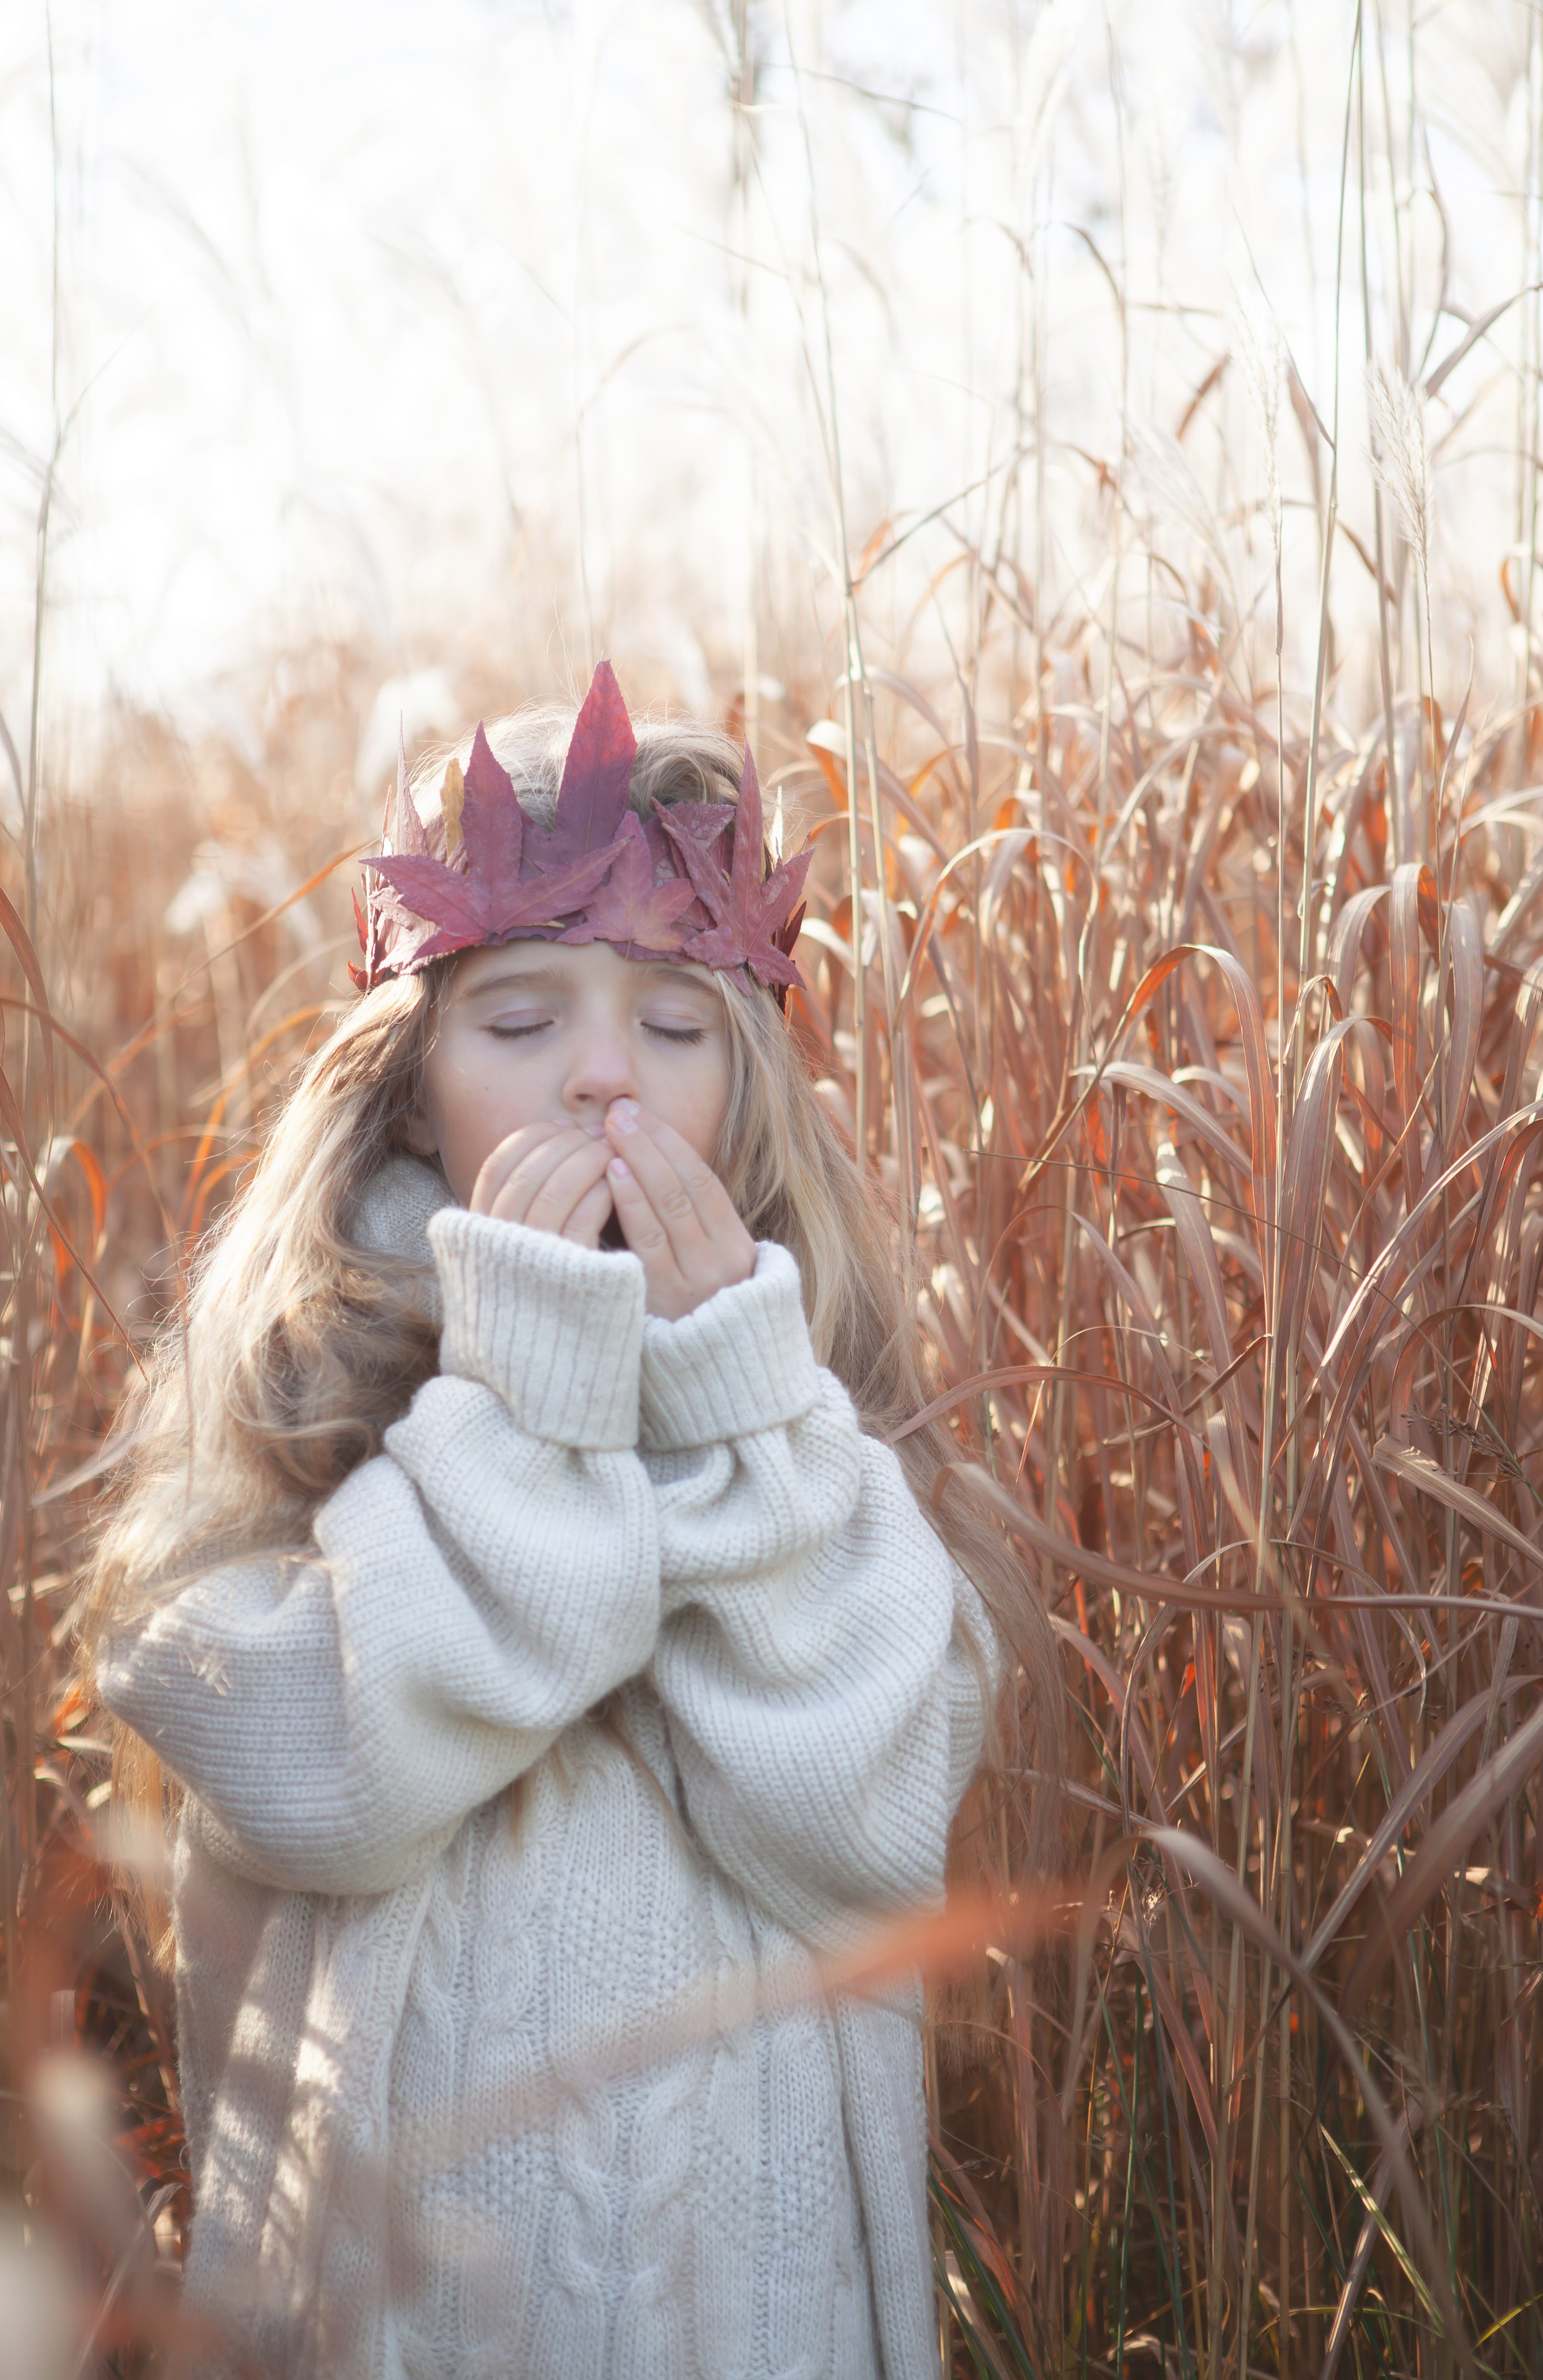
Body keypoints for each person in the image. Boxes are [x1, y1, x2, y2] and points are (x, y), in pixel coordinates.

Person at [81, 663, 1057, 2380]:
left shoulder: (827, 1441)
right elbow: (339, 1785)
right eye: (522, 1024)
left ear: (744, 1093)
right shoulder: (288, 1435)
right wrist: (528, 1395)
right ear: (409, 1089)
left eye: (674, 1029)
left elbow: (876, 1823)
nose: (603, 1083)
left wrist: (736, 1398)